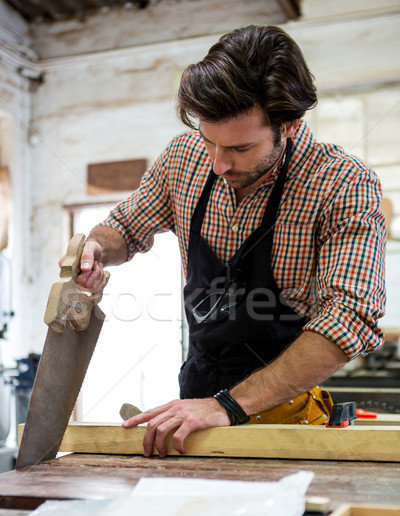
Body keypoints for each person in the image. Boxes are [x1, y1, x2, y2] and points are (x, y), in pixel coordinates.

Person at [69, 25, 386, 457]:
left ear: (289, 124)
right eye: (208, 140)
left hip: (284, 419)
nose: (218, 163)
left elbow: (350, 318)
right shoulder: (184, 157)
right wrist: (95, 249)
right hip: (195, 407)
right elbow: (124, 227)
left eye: (239, 148)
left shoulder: (343, 183)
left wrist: (228, 406)